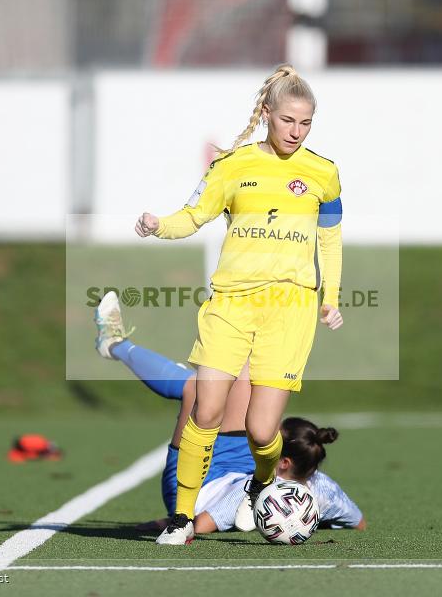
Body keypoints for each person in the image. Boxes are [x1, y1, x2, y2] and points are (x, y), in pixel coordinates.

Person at [134, 63, 345, 545]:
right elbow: (193, 216)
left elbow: (330, 240)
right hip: (231, 303)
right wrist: (157, 224)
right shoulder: (231, 166)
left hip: (289, 310)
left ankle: (262, 484)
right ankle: (182, 517)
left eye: (306, 122)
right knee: (205, 411)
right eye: (288, 120)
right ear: (267, 114)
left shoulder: (324, 174)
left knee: (261, 429)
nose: (296, 131)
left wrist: (329, 298)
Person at [93, 292, 364, 535]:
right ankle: (178, 374)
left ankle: (114, 343)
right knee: (245, 362)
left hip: (194, 484)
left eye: (274, 438)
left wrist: (166, 522)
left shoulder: (247, 493)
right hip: (239, 457)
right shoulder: (323, 488)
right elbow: (358, 521)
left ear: (283, 462)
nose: (269, 432)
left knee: (196, 390)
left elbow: (199, 525)